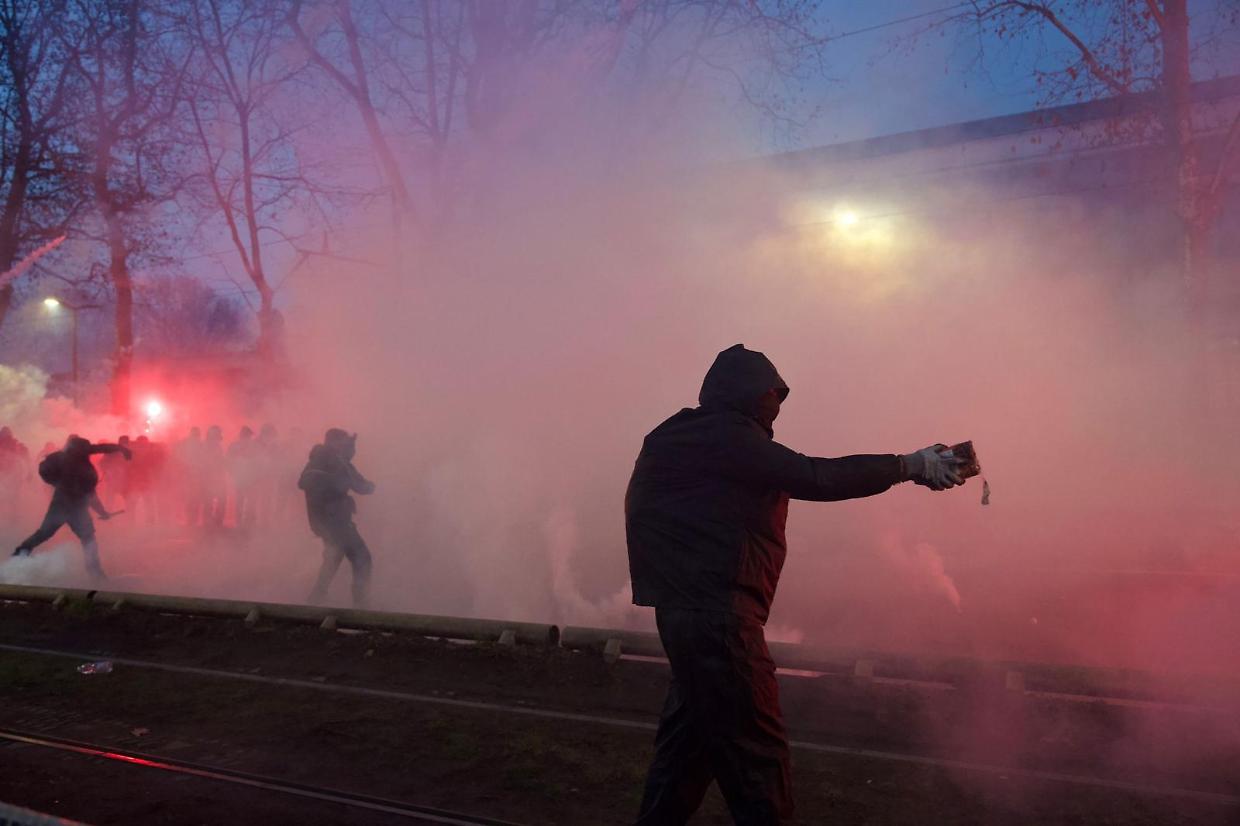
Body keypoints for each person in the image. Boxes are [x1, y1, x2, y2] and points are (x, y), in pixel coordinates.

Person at [625, 344, 964, 826]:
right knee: (758, 757)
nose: (774, 410)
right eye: (770, 397)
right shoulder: (726, 439)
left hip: (685, 615)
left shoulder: (681, 436)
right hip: (720, 619)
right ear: (750, 395)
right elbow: (816, 476)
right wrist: (908, 465)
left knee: (687, 753)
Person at [13, 435, 132, 579]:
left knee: (43, 533)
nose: (89, 451)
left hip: (60, 503)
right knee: (88, 538)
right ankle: (95, 573)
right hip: (76, 506)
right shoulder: (82, 463)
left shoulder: (60, 457)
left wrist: (56, 482)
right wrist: (102, 511)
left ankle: (18, 556)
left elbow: (43, 469)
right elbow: (90, 494)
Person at [300, 428, 376, 607]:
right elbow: (361, 486)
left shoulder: (322, 459)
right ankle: (361, 602)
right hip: (335, 522)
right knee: (362, 557)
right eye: (344, 443)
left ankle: (317, 597)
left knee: (334, 557)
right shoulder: (332, 461)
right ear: (334, 443)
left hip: (325, 522)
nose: (348, 448)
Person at [227, 426, 260, 527]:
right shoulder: (235, 446)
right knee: (242, 501)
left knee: (248, 501)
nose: (249, 437)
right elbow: (229, 462)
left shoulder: (253, 446)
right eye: (248, 435)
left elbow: (257, 463)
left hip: (248, 478)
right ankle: (241, 522)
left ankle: (246, 522)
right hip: (241, 478)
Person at [0, 426, 32, 523]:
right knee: (13, 497)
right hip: (10, 473)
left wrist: (29, 473)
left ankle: (13, 518)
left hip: (11, 473)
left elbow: (26, 457)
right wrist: (29, 473)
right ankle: (13, 517)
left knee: (11, 497)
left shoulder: (16, 445)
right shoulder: (17, 445)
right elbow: (26, 458)